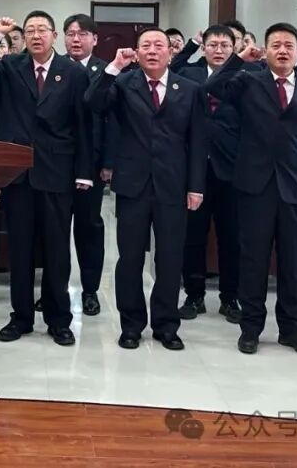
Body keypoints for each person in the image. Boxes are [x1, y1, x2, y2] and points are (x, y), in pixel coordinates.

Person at [205, 22, 297, 357]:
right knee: (253, 260)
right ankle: (251, 328)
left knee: (294, 261)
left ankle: (291, 328)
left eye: (289, 45)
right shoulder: (249, 81)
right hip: (254, 186)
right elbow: (212, 87)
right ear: (266, 50)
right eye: (276, 45)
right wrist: (239, 59)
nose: (283, 51)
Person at [85, 29, 206, 351]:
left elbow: (198, 141)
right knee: (130, 259)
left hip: (174, 185)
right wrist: (114, 67)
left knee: (170, 258)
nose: (152, 51)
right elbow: (93, 102)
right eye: (146, 46)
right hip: (132, 184)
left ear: (171, 52)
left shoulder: (189, 89)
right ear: (136, 53)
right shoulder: (124, 84)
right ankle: (131, 325)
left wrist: (196, 186)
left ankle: (166, 325)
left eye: (159, 45)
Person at [0, 13, 92, 347]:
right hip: (18, 173)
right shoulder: (10, 67)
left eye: (42, 30)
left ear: (54, 35)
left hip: (57, 171)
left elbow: (83, 124)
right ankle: (21, 317)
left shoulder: (73, 72)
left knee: (57, 250)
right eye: (30, 31)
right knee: (20, 248)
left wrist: (84, 171)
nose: (36, 35)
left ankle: (59, 319)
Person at [178, 24, 242, 323]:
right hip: (194, 169)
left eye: (225, 45)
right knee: (193, 237)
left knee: (232, 237)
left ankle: (230, 297)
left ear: (234, 48)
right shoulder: (188, 75)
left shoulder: (246, 76)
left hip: (232, 169)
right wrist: (189, 45)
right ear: (203, 47)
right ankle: (194, 295)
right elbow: (172, 65)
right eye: (213, 45)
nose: (219, 50)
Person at [61, 13, 116, 316]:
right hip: (57, 161)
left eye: (82, 34)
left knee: (89, 227)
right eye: (70, 33)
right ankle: (54, 288)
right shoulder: (55, 67)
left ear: (94, 39)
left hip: (91, 163)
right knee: (55, 229)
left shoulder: (107, 70)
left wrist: (108, 161)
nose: (76, 39)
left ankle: (90, 290)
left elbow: (112, 120)